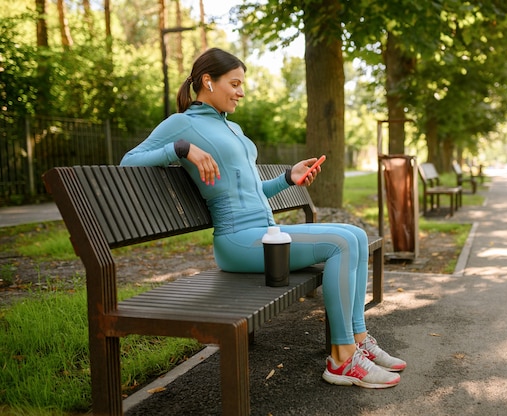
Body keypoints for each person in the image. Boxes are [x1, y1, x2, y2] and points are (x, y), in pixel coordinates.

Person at [120, 47, 406, 389]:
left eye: (243, 84)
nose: (241, 92)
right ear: (207, 81)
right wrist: (180, 149)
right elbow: (128, 162)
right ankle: (342, 359)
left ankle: (358, 341)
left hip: (265, 233)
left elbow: (253, 190)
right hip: (237, 240)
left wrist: (288, 178)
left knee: (355, 235)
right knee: (342, 243)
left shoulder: (233, 129)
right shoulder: (184, 124)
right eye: (235, 83)